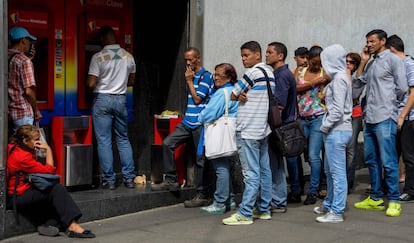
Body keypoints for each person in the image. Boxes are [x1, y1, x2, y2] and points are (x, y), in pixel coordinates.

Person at [151, 47, 215, 207]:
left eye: (191, 59)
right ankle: (171, 180)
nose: (188, 63)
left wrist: (188, 81)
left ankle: (202, 194)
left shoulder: (206, 77)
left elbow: (198, 99)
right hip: (187, 121)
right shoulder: (191, 75)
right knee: (167, 144)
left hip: (200, 123)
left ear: (198, 59)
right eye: (186, 59)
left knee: (201, 160)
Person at [353, 29, 407, 217]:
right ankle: (375, 197)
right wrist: (363, 61)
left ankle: (394, 199)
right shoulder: (371, 63)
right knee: (371, 160)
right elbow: (357, 87)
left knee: (389, 161)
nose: (369, 44)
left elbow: (402, 88)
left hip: (385, 117)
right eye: (367, 41)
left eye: (372, 41)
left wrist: (393, 109)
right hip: (370, 118)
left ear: (383, 41)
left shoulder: (393, 60)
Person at [6, 125, 95, 238]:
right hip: (17, 196)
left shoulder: (16, 148)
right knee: (57, 189)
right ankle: (72, 226)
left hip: (19, 192)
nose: (39, 142)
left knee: (52, 193)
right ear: (25, 141)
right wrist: (48, 150)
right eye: (36, 140)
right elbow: (49, 171)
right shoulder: (23, 158)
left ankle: (50, 224)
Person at [222, 41, 274, 225]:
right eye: (242, 55)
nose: (243, 59)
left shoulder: (251, 73)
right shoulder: (269, 73)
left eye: (246, 55)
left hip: (248, 130)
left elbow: (234, 95)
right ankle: (264, 209)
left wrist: (240, 95)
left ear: (257, 55)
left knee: (251, 174)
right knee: (265, 171)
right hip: (262, 129)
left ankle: (245, 213)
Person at [87, 25, 136, 190]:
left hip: (102, 100)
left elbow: (91, 83)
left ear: (102, 39)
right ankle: (129, 178)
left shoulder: (98, 57)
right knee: (123, 139)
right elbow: (132, 81)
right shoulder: (128, 56)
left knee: (104, 141)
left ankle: (110, 180)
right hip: (121, 100)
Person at [313, 44, 352, 223]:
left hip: (337, 131)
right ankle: (329, 204)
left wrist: (324, 126)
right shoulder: (338, 78)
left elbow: (336, 111)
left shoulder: (339, 80)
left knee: (337, 173)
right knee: (330, 172)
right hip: (335, 131)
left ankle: (337, 211)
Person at [198, 63, 238, 214]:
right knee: (226, 166)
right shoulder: (234, 90)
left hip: (219, 133)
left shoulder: (221, 93)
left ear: (228, 77)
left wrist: (200, 117)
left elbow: (209, 114)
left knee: (221, 167)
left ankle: (220, 202)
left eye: (219, 75)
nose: (215, 78)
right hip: (231, 132)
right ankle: (230, 199)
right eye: (215, 74)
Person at [265, 41, 299, 212]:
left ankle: (278, 201)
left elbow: (279, 105)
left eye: (270, 52)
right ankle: (276, 198)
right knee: (276, 164)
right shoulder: (281, 74)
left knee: (276, 165)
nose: (266, 55)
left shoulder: (281, 75)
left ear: (280, 56)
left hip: (279, 127)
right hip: (281, 126)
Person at [296, 45, 329, 205]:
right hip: (302, 118)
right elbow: (294, 88)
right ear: (308, 60)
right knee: (306, 154)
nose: (317, 66)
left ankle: (313, 190)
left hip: (318, 117)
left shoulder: (325, 72)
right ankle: (316, 184)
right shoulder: (300, 71)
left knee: (314, 155)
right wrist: (314, 83)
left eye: (319, 63)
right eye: (314, 62)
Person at [386, 34, 414, 203]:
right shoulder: (395, 65)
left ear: (392, 49)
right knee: (392, 154)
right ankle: (390, 188)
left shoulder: (408, 64)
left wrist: (403, 115)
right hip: (395, 116)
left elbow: (413, 92)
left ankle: (410, 190)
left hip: (408, 118)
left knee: (409, 156)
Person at [8, 26, 42, 136]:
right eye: (29, 41)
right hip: (23, 113)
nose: (29, 44)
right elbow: (29, 91)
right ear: (23, 41)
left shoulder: (5, 57)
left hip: (9, 112)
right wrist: (36, 110)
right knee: (27, 148)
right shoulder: (24, 61)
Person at [345, 52, 363, 194]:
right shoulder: (339, 77)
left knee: (351, 148)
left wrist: (349, 75)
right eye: (346, 61)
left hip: (354, 115)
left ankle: (349, 181)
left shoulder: (358, 80)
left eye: (351, 62)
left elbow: (351, 95)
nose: (347, 64)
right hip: (341, 116)